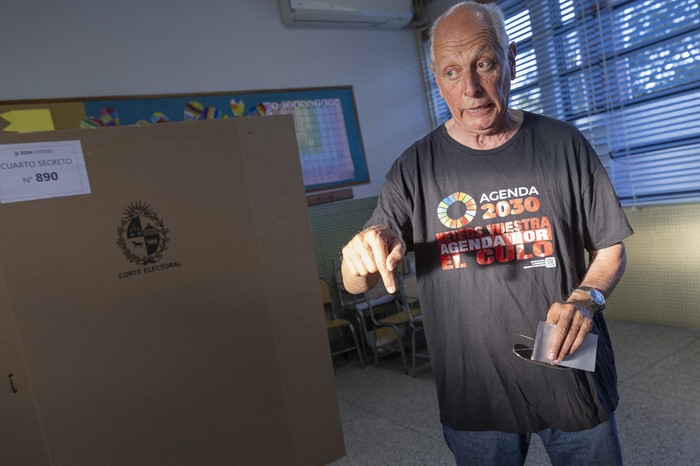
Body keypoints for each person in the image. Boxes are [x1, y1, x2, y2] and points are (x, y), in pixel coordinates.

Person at [340, 1, 633, 464]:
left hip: (569, 373)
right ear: (437, 80)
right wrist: (356, 260)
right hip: (475, 394)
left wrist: (586, 298)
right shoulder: (414, 169)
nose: (471, 88)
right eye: (452, 73)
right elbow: (360, 280)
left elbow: (610, 247)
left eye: (483, 64)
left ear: (510, 59)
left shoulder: (563, 145)